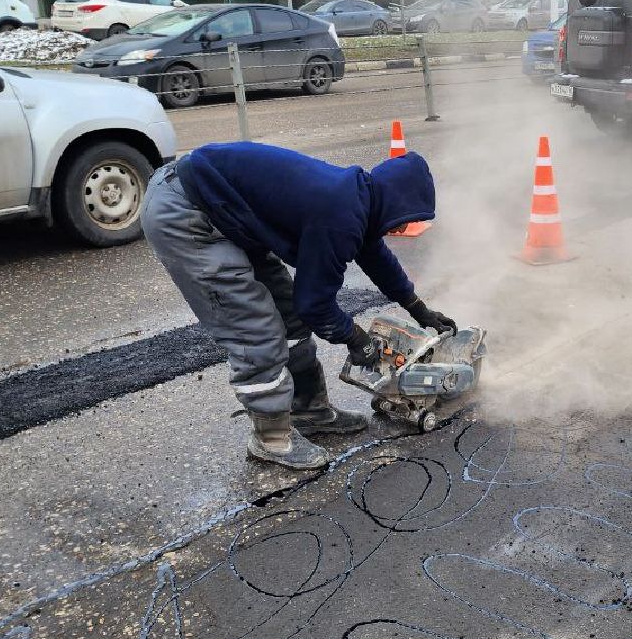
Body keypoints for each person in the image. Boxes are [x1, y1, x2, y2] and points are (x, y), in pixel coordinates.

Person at [141, 142, 456, 469]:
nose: (401, 229)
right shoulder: (339, 214)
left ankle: (308, 411)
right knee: (254, 329)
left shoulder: (359, 197)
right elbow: (315, 304)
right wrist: (355, 338)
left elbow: (376, 257)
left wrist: (418, 308)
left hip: (224, 211)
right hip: (186, 212)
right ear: (395, 202)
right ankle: (272, 439)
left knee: (288, 313)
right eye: (403, 221)